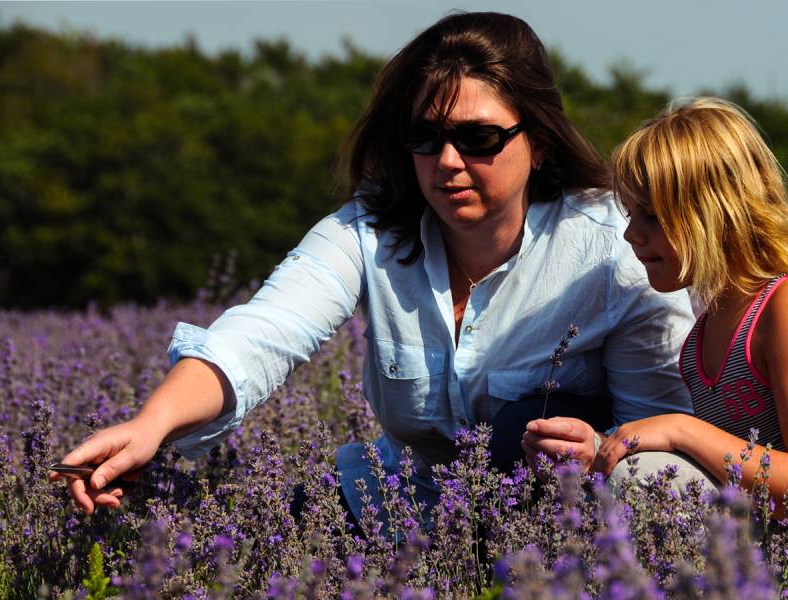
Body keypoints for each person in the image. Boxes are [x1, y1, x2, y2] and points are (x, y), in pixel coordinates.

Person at [50, 12, 695, 528]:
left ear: (539, 140)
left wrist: (598, 448)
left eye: (477, 139)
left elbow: (653, 446)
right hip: (392, 509)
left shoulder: (614, 249)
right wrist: (149, 426)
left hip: (560, 525)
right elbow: (263, 333)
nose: (446, 160)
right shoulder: (371, 231)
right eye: (425, 137)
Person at [591, 97, 788, 517]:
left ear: (717, 212)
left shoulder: (779, 309)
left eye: (653, 217)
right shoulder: (702, 332)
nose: (630, 234)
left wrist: (682, 430)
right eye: (630, 214)